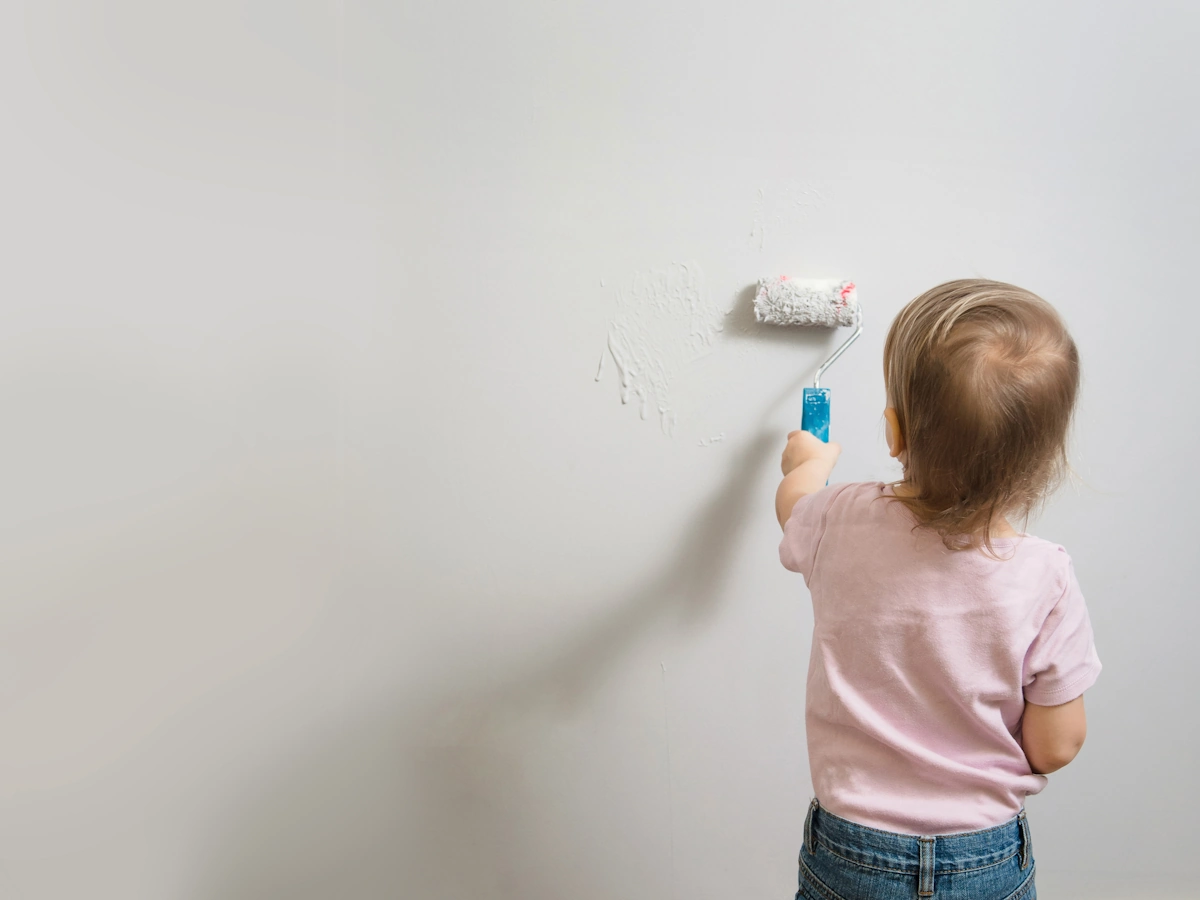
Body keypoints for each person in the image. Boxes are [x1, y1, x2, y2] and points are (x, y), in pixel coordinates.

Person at [776, 279, 1101, 900]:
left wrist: (807, 464)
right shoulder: (1046, 577)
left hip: (852, 851)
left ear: (894, 434)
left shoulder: (837, 520)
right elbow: (1058, 744)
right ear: (1044, 457)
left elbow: (795, 507)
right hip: (983, 855)